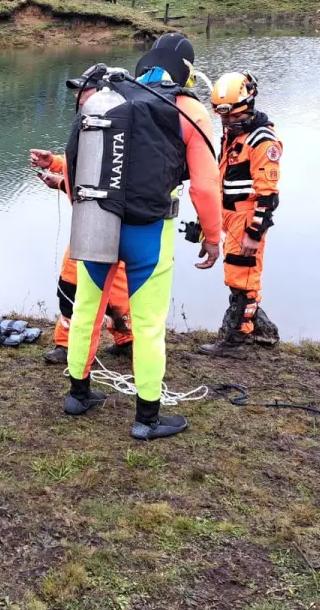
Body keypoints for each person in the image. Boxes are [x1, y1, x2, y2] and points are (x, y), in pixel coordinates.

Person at [61, 33, 222, 440]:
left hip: (98, 223)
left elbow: (74, 167)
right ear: (185, 70)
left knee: (86, 308)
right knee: (149, 324)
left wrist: (83, 212)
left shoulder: (108, 97)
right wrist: (213, 236)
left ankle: (78, 394)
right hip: (149, 231)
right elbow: (204, 187)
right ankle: (147, 418)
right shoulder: (187, 109)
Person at [198, 72, 282, 356]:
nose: (228, 122)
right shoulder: (232, 137)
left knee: (242, 280)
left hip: (247, 218)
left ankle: (235, 340)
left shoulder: (262, 142)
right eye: (224, 117)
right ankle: (261, 330)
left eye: (234, 116)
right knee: (238, 276)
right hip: (231, 217)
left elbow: (268, 195)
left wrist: (254, 234)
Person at [28, 149, 134, 367]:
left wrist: (60, 181)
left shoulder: (137, 141)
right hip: (86, 230)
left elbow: (110, 182)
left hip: (120, 229)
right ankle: (67, 345)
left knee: (119, 293)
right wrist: (55, 164)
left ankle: (128, 341)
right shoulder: (96, 129)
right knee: (70, 287)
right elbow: (88, 160)